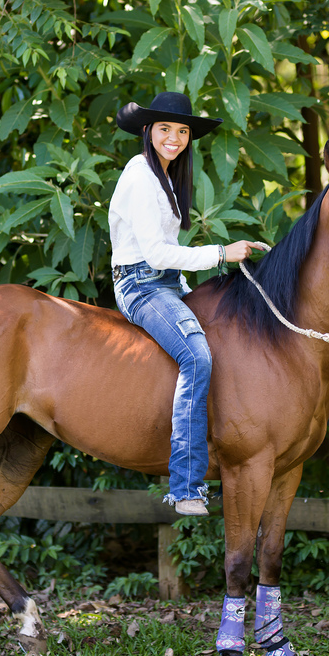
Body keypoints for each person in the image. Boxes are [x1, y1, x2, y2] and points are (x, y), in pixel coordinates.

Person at [109, 91, 267, 515]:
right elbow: (157, 255)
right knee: (197, 356)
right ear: (148, 131)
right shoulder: (140, 175)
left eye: (182, 131)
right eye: (165, 129)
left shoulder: (166, 176)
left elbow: (169, 256)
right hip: (140, 287)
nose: (174, 138)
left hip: (167, 284)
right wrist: (221, 253)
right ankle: (185, 486)